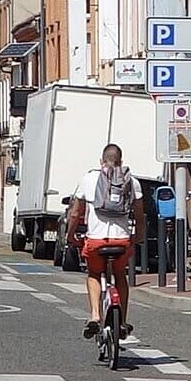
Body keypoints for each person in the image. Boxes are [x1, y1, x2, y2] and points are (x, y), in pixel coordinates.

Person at [76, 143, 144, 341]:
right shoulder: (132, 182)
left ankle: (95, 316)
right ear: (121, 162)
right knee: (120, 275)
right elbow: (140, 216)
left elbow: (74, 213)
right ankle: (121, 321)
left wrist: (71, 235)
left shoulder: (89, 179)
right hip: (121, 241)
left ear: (101, 162)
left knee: (94, 273)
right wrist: (137, 237)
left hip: (96, 241)